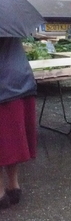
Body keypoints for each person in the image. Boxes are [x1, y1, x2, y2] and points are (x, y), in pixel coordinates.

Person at [0, 37, 37, 209]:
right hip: (20, 79)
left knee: (2, 141)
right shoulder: (11, 17)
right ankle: (13, 186)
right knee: (12, 139)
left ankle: (0, 193)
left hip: (3, 83)